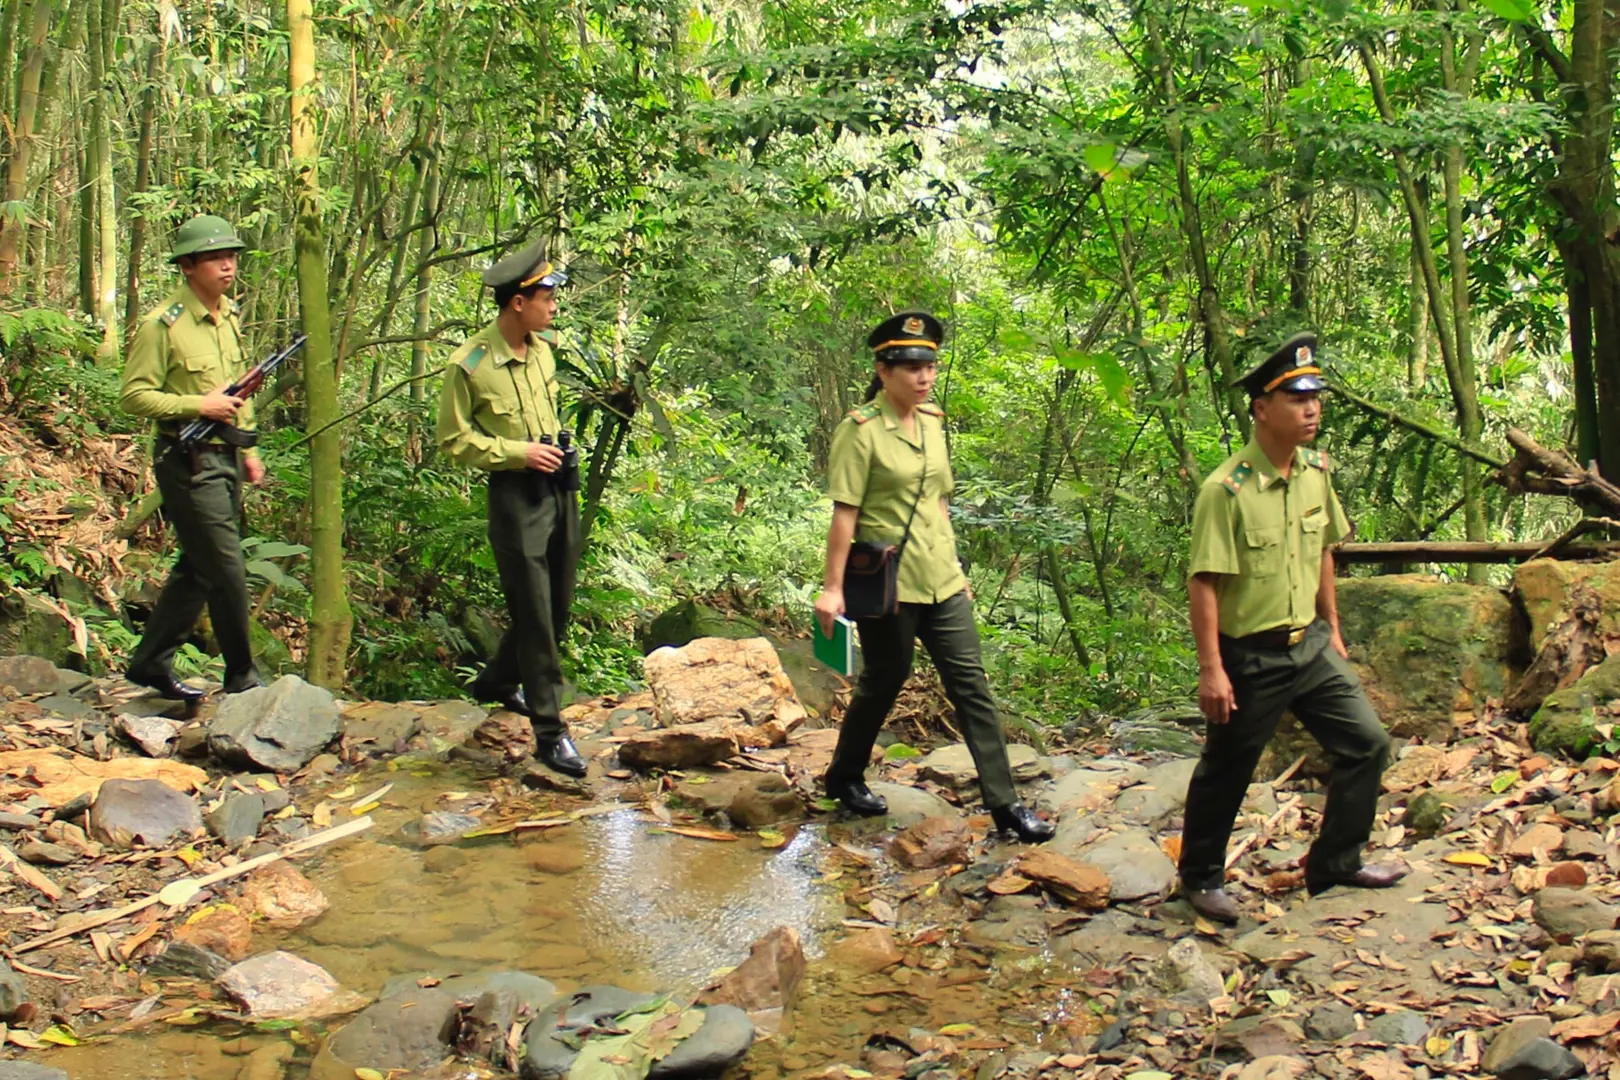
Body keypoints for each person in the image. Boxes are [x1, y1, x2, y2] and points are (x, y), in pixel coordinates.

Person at [1178, 331, 1403, 924]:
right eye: (1297, 399)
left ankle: (1336, 861)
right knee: (1228, 769)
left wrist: (1332, 623)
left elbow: (1324, 548)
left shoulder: (1315, 472)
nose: (1312, 410)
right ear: (1261, 408)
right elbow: (1204, 582)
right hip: (1250, 655)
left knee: (1367, 745)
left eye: (1315, 398)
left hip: (1310, 645)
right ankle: (1200, 877)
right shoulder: (1224, 491)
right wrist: (1212, 670)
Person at [813, 312, 1055, 843]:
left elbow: (939, 501)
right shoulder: (859, 432)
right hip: (888, 581)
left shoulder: (934, 423)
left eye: (930, 365)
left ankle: (1006, 804)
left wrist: (957, 567)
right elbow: (845, 512)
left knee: (971, 686)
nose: (924, 377)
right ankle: (844, 775)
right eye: (911, 367)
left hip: (941, 579)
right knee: (884, 679)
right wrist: (831, 589)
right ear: (883, 369)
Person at [436, 239, 586, 778]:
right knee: (536, 617)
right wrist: (517, 453)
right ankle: (550, 733)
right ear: (517, 302)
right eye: (546, 296)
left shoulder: (543, 350)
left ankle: (497, 680)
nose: (553, 305)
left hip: (558, 488)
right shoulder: (470, 364)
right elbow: (454, 441)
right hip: (515, 496)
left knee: (556, 608)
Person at [121, 214, 265, 700]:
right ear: (187, 266)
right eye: (216, 258)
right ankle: (243, 675)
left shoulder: (230, 317)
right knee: (225, 567)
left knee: (199, 567)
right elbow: (135, 395)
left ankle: (150, 662)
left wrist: (250, 446)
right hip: (185, 459)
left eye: (232, 257)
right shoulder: (163, 326)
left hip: (225, 457)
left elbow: (239, 389)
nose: (228, 266)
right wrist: (196, 405)